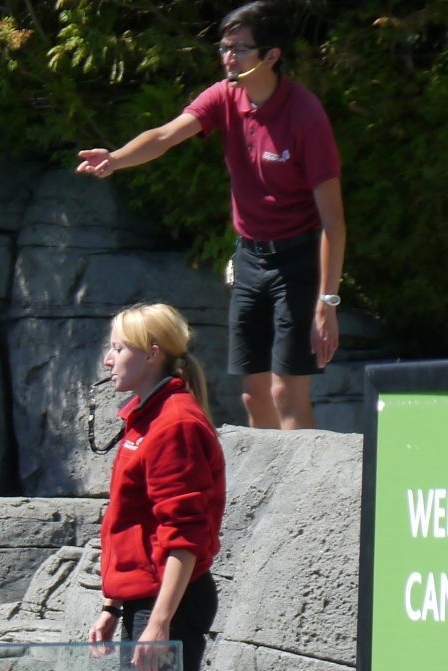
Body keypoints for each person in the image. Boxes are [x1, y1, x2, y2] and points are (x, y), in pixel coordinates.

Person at [76, 1, 345, 431]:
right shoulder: (225, 96)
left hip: (298, 262)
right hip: (250, 259)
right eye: (224, 47)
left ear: (272, 55)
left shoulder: (305, 114)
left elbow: (333, 222)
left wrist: (327, 302)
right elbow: (165, 135)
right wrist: (116, 158)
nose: (228, 57)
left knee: (285, 392)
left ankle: (307, 476)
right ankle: (269, 475)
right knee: (253, 393)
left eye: (240, 49)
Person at [87, 304, 226, 671]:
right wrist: (115, 606)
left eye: (119, 348)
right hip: (146, 605)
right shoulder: (145, 419)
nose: (108, 359)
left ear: (152, 354)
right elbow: (138, 530)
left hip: (170, 606)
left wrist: (158, 621)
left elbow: (184, 536)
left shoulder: (174, 423)